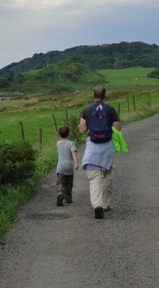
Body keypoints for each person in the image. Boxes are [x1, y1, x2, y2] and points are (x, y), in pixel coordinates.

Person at [79, 85, 122, 219]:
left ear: (93, 96)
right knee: (107, 176)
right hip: (107, 148)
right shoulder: (110, 109)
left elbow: (81, 130)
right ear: (104, 96)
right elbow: (118, 128)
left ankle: (97, 205)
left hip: (93, 148)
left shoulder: (86, 110)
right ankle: (106, 204)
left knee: (94, 178)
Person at [55, 125, 79, 206]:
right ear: (69, 134)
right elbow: (73, 153)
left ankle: (60, 193)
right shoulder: (71, 143)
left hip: (60, 167)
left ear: (59, 135)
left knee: (60, 182)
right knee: (69, 183)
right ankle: (68, 197)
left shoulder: (58, 143)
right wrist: (76, 162)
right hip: (69, 167)